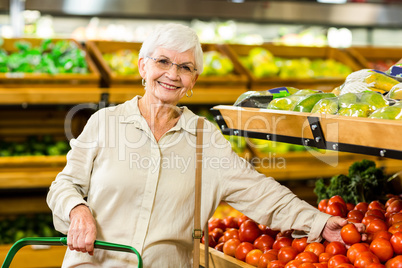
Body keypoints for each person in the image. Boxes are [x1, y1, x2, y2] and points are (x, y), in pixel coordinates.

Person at [47, 23, 365, 267]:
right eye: (163, 62)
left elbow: (261, 193)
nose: (173, 74)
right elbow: (64, 185)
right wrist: (78, 211)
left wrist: (321, 223)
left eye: (185, 67)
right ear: (143, 68)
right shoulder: (105, 123)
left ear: (193, 81)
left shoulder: (204, 138)